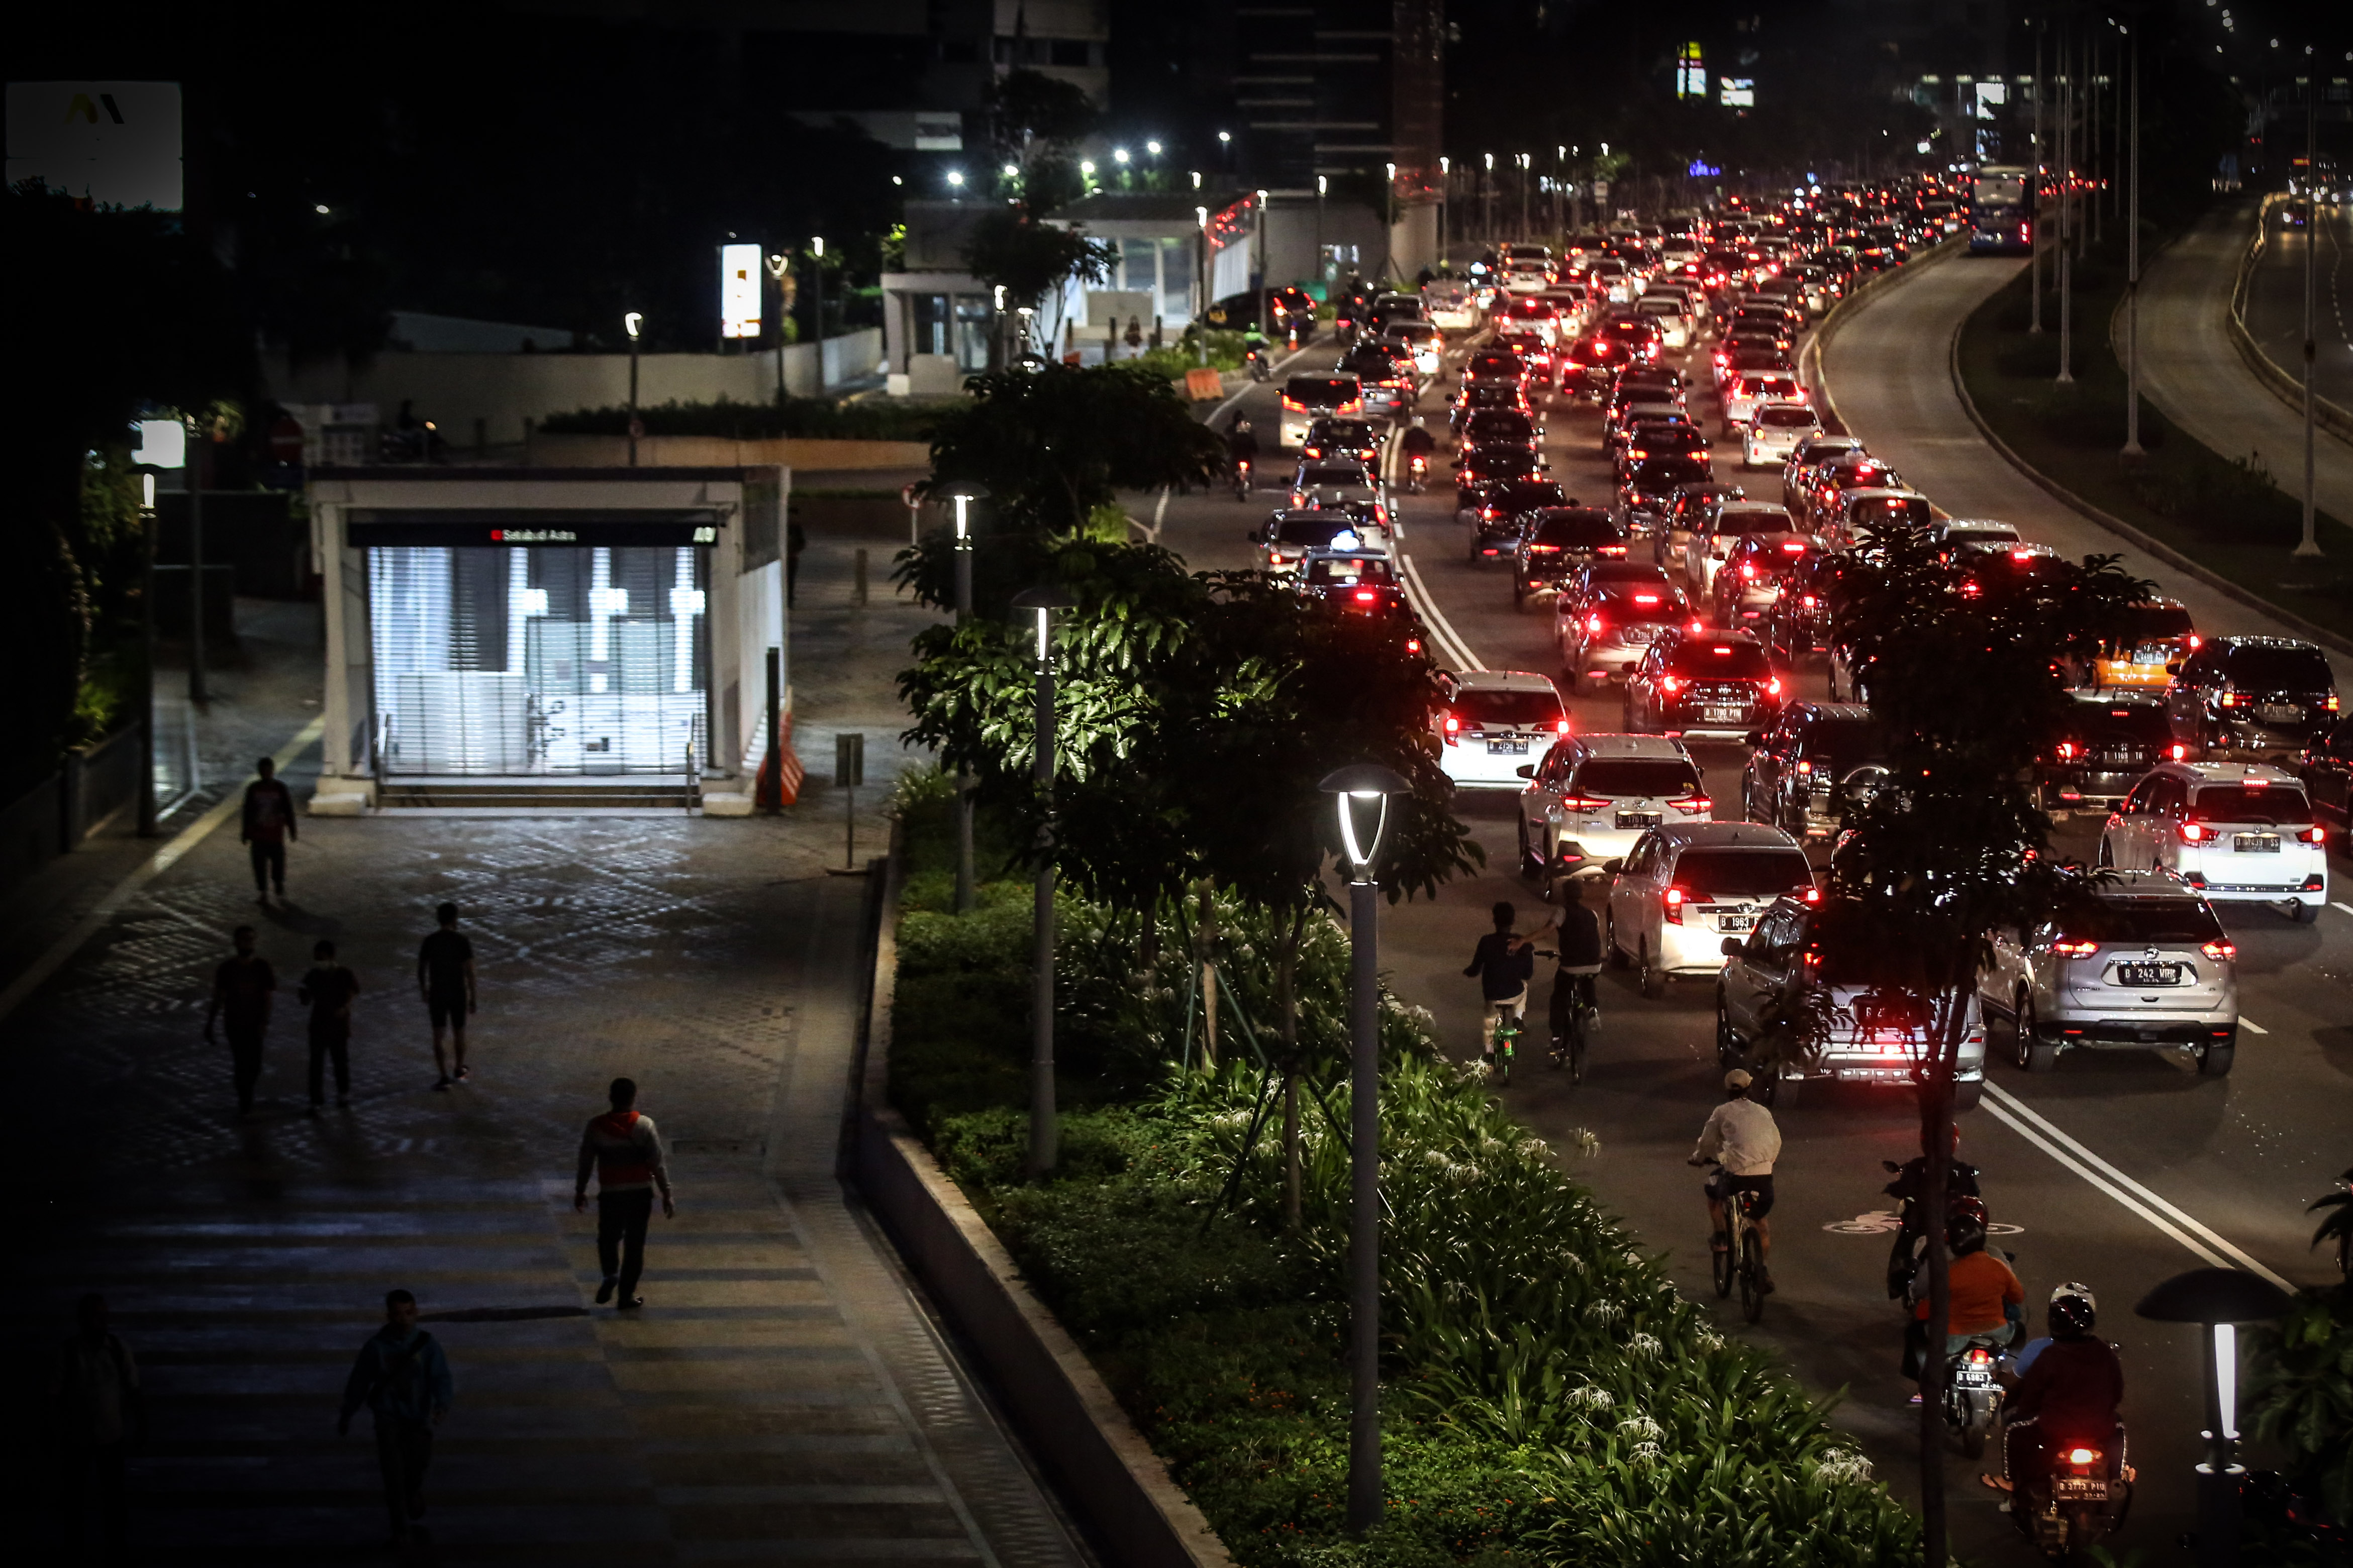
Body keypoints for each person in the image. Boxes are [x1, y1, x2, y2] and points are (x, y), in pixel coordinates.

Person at [1986, 1283, 2128, 1494]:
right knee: (2119, 1428)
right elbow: (2117, 1393)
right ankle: (2118, 1477)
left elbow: (2029, 1398)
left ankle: (2009, 1480)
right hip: (2100, 1427)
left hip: (2055, 1428)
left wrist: (2026, 1410)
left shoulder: (2049, 1356)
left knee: (2013, 1428)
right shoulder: (2105, 1353)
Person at [338, 1289, 453, 1546]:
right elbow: (359, 1381)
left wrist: (442, 1404)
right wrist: (348, 1412)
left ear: (416, 1313)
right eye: (399, 1314)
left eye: (409, 1313)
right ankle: (399, 1527)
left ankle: (412, 1491)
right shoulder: (376, 1347)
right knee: (392, 1474)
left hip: (417, 1418)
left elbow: (440, 1377)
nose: (404, 1320)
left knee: (418, 1465)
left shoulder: (427, 1344)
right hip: (388, 1419)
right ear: (390, 1316)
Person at [51, 1292, 142, 1564]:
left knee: (109, 1500)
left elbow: (134, 1389)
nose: (101, 1322)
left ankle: (107, 1548)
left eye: (103, 1316)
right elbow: (52, 1396)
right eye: (96, 1317)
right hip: (80, 1438)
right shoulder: (69, 1352)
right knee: (81, 1500)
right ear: (83, 1320)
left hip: (106, 1437)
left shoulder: (115, 1349)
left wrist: (140, 1423)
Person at [575, 1077, 675, 1309]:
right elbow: (658, 1164)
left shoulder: (596, 1126)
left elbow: (586, 1162)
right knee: (634, 1245)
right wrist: (667, 1194)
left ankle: (610, 1274)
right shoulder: (645, 1126)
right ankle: (626, 1296)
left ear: (611, 1097)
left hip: (611, 1194)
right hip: (640, 1194)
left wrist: (580, 1190)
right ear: (633, 1098)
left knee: (608, 1238)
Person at [1904, 1211, 2023, 1387]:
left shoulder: (1946, 1271)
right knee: (2020, 1329)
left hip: (1954, 1338)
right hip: (1997, 1333)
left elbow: (1924, 1299)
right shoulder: (1998, 1266)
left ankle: (1926, 1384)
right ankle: (2009, 1374)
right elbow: (2018, 1296)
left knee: (1915, 1332)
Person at [1691, 1068, 1781, 1291]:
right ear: (1750, 1088)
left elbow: (1707, 1142)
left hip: (1737, 1178)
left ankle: (1721, 1237)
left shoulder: (1722, 1112)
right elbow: (1776, 1141)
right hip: (1763, 1178)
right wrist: (1768, 1162)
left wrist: (1699, 1158)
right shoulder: (1763, 1112)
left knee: (1713, 1191)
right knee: (1761, 1223)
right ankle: (1762, 1270)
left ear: (1728, 1090)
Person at [1462, 901, 1548, 1066]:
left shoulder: (1486, 942)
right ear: (1513, 921)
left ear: (1494, 920)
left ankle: (1489, 1052)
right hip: (1515, 993)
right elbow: (1528, 975)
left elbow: (1475, 968)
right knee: (1524, 987)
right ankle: (1518, 1017)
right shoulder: (1524, 944)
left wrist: (1468, 972)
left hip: (1493, 995)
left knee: (1489, 1021)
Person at [204, 925, 275, 1114]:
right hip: (234, 1023)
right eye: (244, 940)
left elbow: (267, 997)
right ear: (236, 943)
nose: (248, 944)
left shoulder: (262, 967)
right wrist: (210, 1023)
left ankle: (246, 1093)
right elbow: (219, 997)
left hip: (255, 1023)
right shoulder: (227, 969)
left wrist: (264, 1021)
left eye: (251, 940)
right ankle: (245, 1098)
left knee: (255, 1064)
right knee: (242, 1061)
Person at [417, 902, 475, 1090]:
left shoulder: (430, 941)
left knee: (438, 1035)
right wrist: (473, 997)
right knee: (459, 1032)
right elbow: (470, 972)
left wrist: (424, 989)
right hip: (457, 992)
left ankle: (443, 1076)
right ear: (454, 919)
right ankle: (458, 1068)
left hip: (438, 992)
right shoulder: (462, 941)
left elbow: (421, 968)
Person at [298, 938, 360, 1113]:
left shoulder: (344, 974)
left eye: (321, 958)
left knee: (340, 1060)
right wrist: (303, 993)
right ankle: (316, 1099)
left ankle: (343, 1093)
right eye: (317, 958)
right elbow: (305, 1000)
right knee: (316, 1064)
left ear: (331, 956)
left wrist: (345, 1008)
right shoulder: (313, 975)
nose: (319, 962)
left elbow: (351, 993)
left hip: (338, 1025)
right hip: (319, 1024)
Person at [1547, 889, 1605, 1044]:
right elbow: (1598, 939)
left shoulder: (1562, 911)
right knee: (1588, 980)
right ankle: (1592, 1010)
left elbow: (1547, 930)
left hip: (1571, 965)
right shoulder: (1592, 914)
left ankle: (1556, 1038)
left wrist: (1523, 941)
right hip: (1595, 964)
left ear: (1565, 895)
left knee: (1558, 998)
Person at [240, 756, 298, 906]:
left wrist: (292, 829)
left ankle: (278, 888)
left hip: (275, 835)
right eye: (263, 771)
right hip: (259, 835)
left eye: (268, 771)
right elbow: (247, 812)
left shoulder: (280, 788)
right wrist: (246, 832)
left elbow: (288, 810)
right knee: (259, 866)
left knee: (278, 864)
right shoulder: (254, 789)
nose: (266, 774)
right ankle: (264, 892)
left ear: (272, 771)